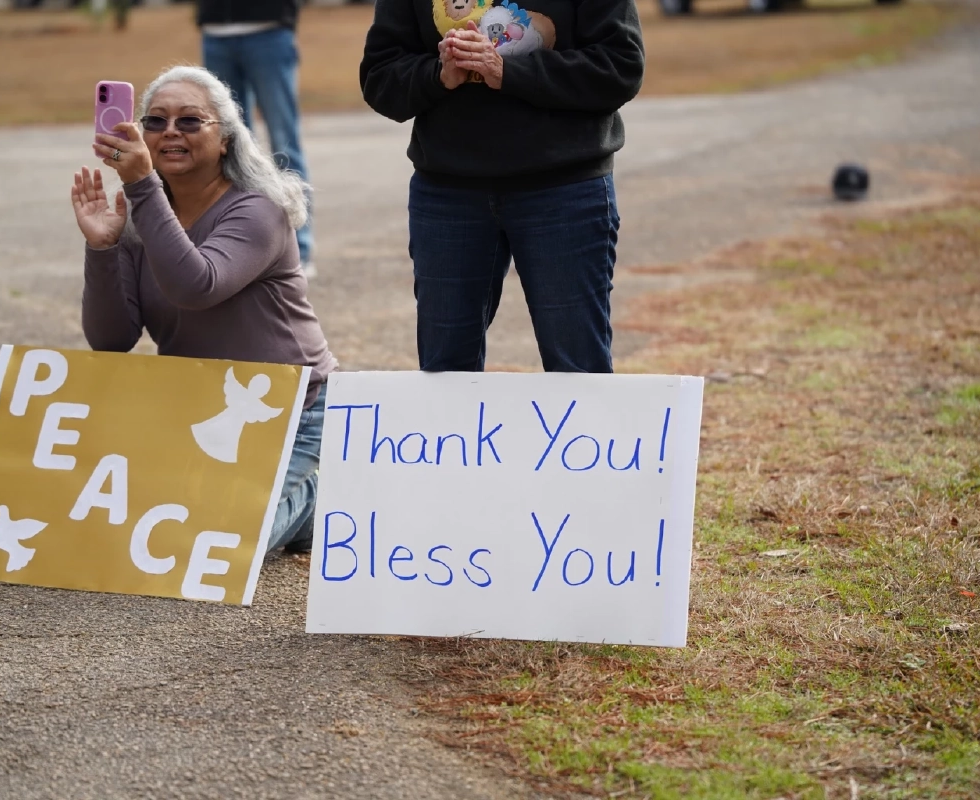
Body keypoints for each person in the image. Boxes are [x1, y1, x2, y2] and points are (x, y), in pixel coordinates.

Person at [72, 65, 336, 555]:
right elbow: (112, 339)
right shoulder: (141, 215)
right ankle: (296, 509)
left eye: (190, 121)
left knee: (221, 545)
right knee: (151, 531)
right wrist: (105, 248)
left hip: (293, 412)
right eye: (155, 122)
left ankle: (332, 496)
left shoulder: (258, 210)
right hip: (199, 412)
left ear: (226, 141)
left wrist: (142, 188)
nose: (170, 132)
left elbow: (197, 285)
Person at [359, 0, 645, 373]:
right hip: (449, 192)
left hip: (564, 188)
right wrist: (439, 75)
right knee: (444, 374)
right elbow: (380, 77)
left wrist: (509, 72)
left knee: (578, 371)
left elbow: (619, 67)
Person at [197, 0, 317, 279]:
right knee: (225, 146)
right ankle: (237, 244)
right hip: (215, 32)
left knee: (284, 141)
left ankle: (300, 248)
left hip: (270, 28)